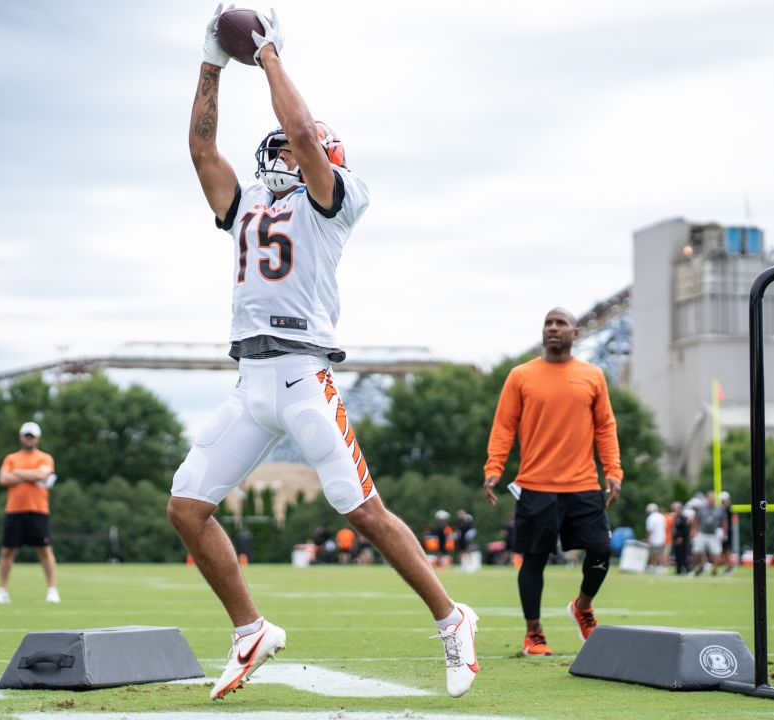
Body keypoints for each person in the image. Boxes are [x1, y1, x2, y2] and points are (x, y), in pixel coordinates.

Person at [170, 6, 479, 700]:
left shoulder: (334, 200)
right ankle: (250, 630)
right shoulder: (247, 202)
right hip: (250, 378)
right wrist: (212, 61)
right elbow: (200, 148)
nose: (282, 150)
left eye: (292, 148)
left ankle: (452, 617)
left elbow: (305, 133)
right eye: (276, 147)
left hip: (304, 375)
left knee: (360, 509)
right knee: (188, 506)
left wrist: (270, 55)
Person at [483, 307, 623, 657]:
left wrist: (614, 471)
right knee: (533, 560)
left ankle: (583, 607)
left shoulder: (593, 376)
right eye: (548, 323)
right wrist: (494, 466)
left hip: (584, 485)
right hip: (536, 486)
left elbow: (606, 427)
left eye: (561, 323)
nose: (553, 328)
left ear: (575, 333)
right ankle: (534, 634)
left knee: (601, 551)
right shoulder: (520, 375)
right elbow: (504, 425)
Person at [0, 421, 59, 604]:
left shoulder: (45, 457)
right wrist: (31, 474)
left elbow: (43, 474)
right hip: (14, 510)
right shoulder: (11, 458)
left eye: (32, 436)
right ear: (21, 437)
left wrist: (18, 474)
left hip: (38, 510)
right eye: (26, 435)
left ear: (37, 438)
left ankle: (52, 590)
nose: (29, 439)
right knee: (7, 551)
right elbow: (3, 478)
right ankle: (2, 590)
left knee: (45, 550)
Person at [691, 492, 727, 577]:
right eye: (710, 498)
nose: (712, 500)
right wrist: (694, 530)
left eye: (713, 499)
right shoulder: (702, 508)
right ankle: (701, 566)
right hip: (702, 532)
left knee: (716, 552)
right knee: (697, 550)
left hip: (713, 534)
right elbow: (697, 520)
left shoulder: (720, 508)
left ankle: (714, 570)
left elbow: (724, 521)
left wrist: (724, 532)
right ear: (707, 499)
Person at [644, 502, 666, 571]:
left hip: (654, 539)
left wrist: (647, 539)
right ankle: (659, 566)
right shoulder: (661, 516)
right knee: (660, 554)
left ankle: (652, 566)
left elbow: (649, 530)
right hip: (662, 538)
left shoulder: (651, 518)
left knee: (652, 554)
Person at [672, 502, 692, 574]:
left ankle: (688, 570)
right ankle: (678, 570)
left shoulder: (684, 518)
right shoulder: (676, 518)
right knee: (678, 556)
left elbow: (686, 530)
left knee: (685, 556)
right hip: (677, 541)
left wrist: (681, 537)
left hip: (683, 541)